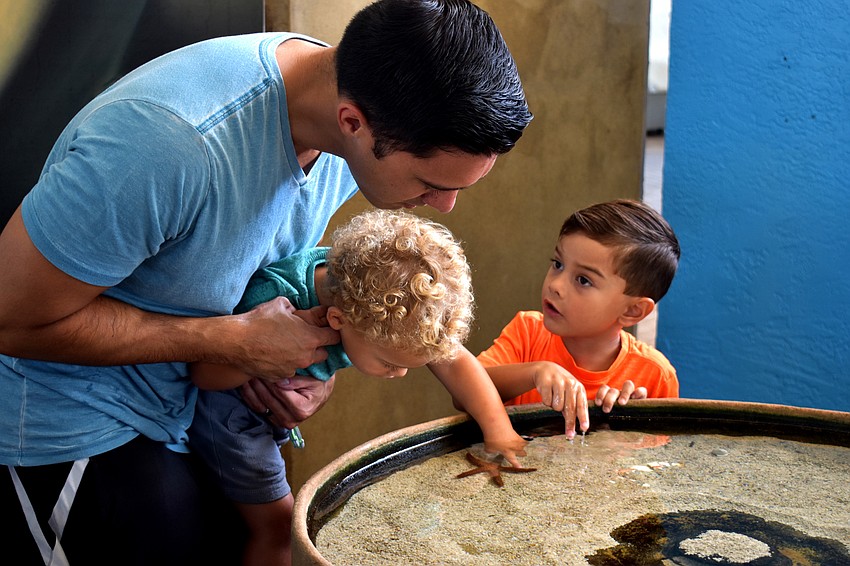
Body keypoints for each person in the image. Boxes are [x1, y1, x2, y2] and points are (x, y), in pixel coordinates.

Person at [0, 0, 533, 562]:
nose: (444, 207)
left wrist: (308, 372)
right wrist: (232, 342)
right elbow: (10, 317)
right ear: (353, 121)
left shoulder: (343, 119)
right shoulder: (169, 147)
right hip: (72, 422)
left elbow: (259, 271)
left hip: (195, 411)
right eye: (431, 182)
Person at [189, 208, 527, 565]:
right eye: (390, 364)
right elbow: (204, 374)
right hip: (230, 420)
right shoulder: (278, 301)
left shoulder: (381, 303)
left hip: (269, 417)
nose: (399, 374)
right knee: (277, 528)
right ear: (336, 320)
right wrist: (254, 361)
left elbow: (455, 362)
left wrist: (499, 430)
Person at [477, 199, 680, 440]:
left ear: (633, 311)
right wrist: (535, 372)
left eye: (583, 280)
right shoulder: (528, 332)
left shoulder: (655, 375)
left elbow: (659, 462)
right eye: (558, 264)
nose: (555, 285)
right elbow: (464, 391)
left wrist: (632, 426)